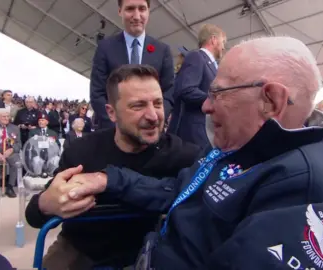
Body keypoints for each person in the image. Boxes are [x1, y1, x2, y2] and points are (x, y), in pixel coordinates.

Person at [56, 37, 323, 269]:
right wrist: (106, 179)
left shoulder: (320, 189)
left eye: (218, 93)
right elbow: (178, 190)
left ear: (271, 101)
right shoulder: (244, 152)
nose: (206, 106)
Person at [25, 65, 201, 270]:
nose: (153, 115)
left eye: (158, 103)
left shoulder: (183, 155)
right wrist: (46, 203)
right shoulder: (82, 152)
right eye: (138, 106)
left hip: (152, 254)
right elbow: (34, 216)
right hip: (82, 251)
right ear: (112, 112)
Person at [90, 0, 174, 129]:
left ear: (148, 11)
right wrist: (119, 124)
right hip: (114, 133)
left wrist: (156, 117)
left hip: (150, 130)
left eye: (142, 9)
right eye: (130, 9)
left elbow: (169, 92)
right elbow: (97, 93)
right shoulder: (105, 48)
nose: (136, 16)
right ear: (120, 11)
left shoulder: (162, 51)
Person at [168, 24, 226, 148]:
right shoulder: (197, 57)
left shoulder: (211, 64)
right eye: (222, 42)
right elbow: (186, 89)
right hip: (191, 134)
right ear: (213, 39)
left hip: (203, 132)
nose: (223, 47)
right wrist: (214, 100)